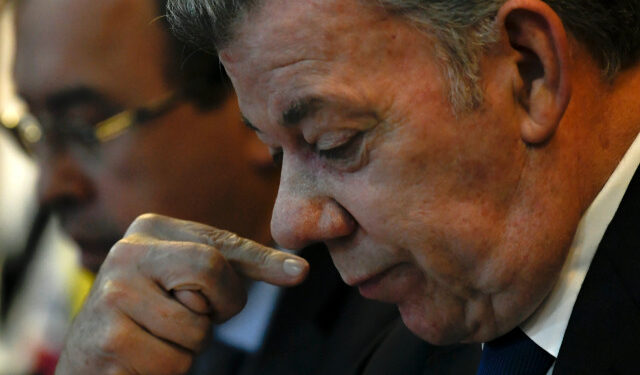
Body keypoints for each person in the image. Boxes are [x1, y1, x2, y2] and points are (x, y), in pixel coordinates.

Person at [13, 0, 408, 374]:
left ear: (246, 101)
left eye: (85, 127)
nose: (50, 188)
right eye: (33, 128)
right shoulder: (120, 336)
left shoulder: (408, 329)